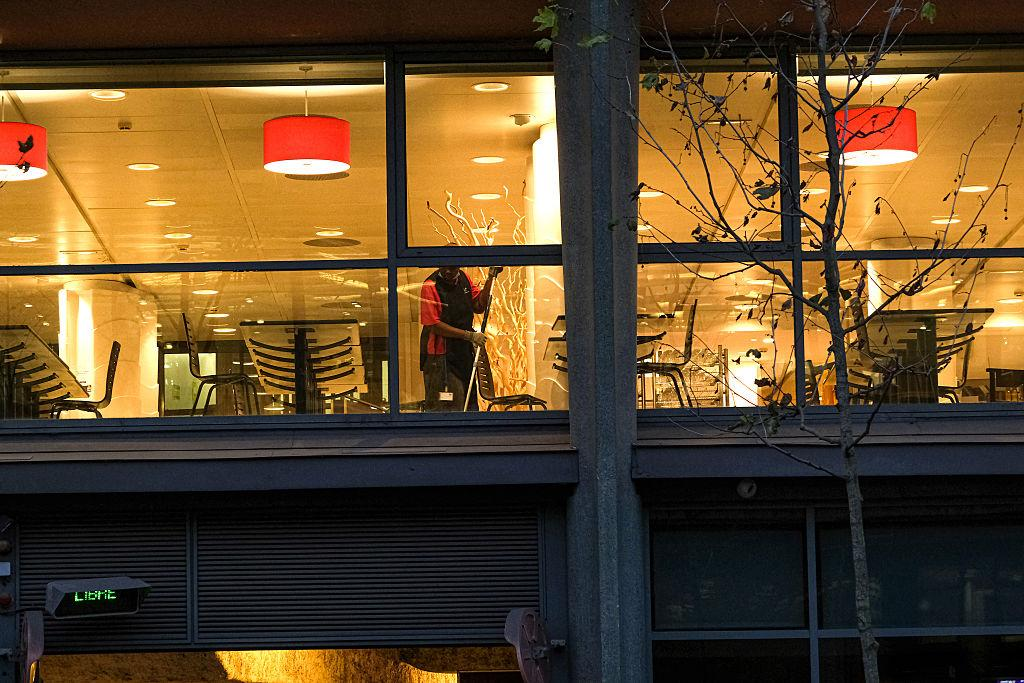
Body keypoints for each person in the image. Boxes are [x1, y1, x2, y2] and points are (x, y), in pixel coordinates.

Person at [419, 264, 502, 411]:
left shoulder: (464, 278)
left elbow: (479, 306)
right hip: (440, 355)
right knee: (450, 403)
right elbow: (434, 325)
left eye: (452, 268)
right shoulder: (430, 285)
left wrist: (490, 278)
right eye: (444, 267)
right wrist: (468, 335)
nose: (448, 271)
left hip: (463, 352)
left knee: (468, 401)